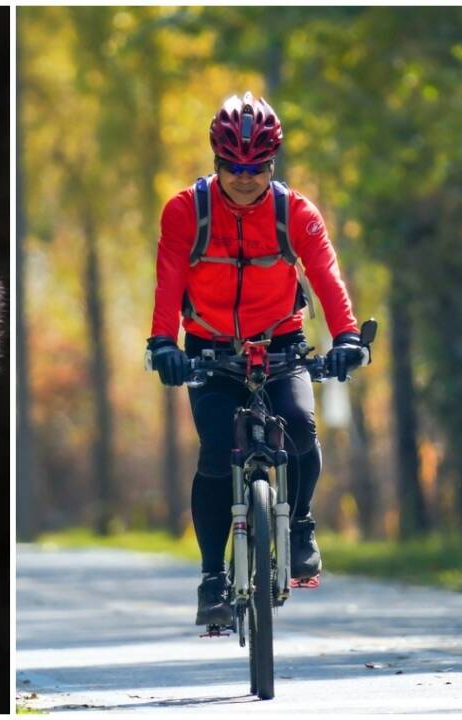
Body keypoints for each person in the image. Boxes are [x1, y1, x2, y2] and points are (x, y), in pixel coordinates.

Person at [145, 92, 365, 626]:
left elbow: (326, 278)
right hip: (210, 349)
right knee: (218, 449)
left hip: (281, 343)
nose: (245, 178)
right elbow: (169, 280)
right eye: (233, 166)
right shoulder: (185, 211)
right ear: (216, 161)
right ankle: (212, 578)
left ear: (273, 163)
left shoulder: (296, 213)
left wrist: (347, 338)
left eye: (257, 167)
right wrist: (162, 345)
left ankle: (301, 523)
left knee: (299, 426)